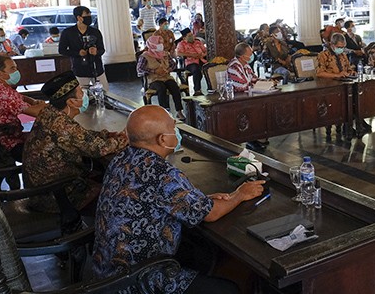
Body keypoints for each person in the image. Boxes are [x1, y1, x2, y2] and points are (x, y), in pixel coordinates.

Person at [91, 105, 264, 294]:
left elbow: (152, 198)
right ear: (162, 139)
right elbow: (211, 214)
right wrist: (240, 194)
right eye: (173, 128)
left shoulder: (121, 158)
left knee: (199, 250)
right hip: (135, 280)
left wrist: (198, 199)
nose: (176, 132)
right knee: (228, 290)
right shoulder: (162, 174)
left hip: (106, 270)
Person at [23, 71, 128, 213]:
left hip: (40, 189)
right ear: (71, 102)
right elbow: (98, 149)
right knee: (120, 195)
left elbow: (81, 136)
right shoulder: (63, 125)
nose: (83, 96)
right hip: (55, 196)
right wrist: (124, 138)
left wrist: (106, 134)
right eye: (80, 93)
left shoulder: (50, 112)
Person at [0, 55, 46, 160]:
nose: (16, 71)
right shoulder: (0, 94)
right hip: (0, 143)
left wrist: (33, 101)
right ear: (0, 74)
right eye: (12, 68)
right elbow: (35, 112)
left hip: (5, 135)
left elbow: (19, 96)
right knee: (46, 151)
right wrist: (48, 105)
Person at [59, 6, 109, 91]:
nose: (89, 17)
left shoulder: (95, 32)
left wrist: (96, 52)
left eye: (90, 14)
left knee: (105, 92)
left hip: (97, 68)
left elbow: (102, 49)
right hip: (80, 69)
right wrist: (78, 53)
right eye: (87, 15)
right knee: (81, 94)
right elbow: (62, 50)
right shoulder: (68, 33)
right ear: (79, 18)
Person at [137, 35, 185, 120]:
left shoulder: (165, 54)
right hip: (154, 79)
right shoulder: (144, 56)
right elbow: (140, 69)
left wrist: (169, 69)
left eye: (161, 43)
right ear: (152, 44)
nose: (161, 45)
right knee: (161, 88)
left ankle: (179, 111)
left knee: (174, 87)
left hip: (166, 77)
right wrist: (154, 71)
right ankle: (165, 112)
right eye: (158, 43)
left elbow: (173, 64)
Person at [176, 28, 207, 96]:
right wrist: (192, 55)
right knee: (196, 70)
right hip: (191, 62)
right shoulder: (181, 44)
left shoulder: (198, 42)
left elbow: (205, 50)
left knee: (210, 67)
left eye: (192, 35)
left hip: (201, 60)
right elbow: (179, 53)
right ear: (184, 37)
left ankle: (211, 88)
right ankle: (197, 90)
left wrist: (202, 55)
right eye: (189, 36)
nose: (192, 36)